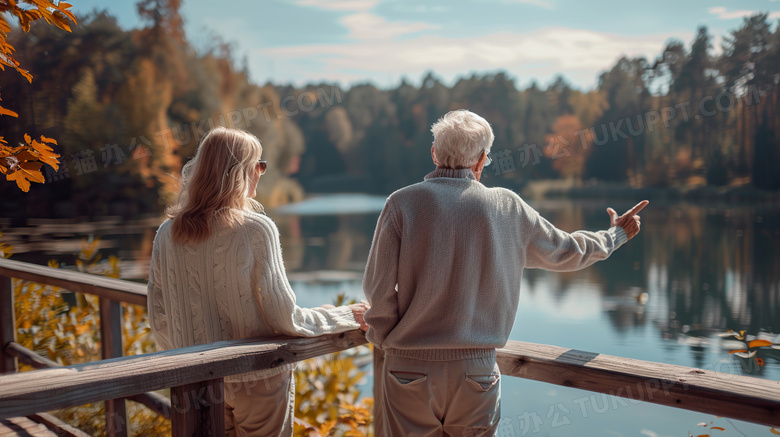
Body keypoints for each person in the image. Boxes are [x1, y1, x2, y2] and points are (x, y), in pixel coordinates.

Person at [362, 109, 647, 436]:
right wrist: (616, 235)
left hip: (406, 368)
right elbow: (567, 251)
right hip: (476, 373)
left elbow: (378, 291)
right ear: (482, 160)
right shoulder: (507, 207)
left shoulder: (401, 203)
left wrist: (387, 342)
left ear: (434, 153)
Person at [146, 126, 369, 437]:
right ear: (239, 172)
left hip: (196, 386)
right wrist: (346, 315)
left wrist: (190, 366)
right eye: (259, 165)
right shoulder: (255, 229)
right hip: (258, 379)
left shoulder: (166, 235)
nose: (262, 173)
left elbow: (158, 319)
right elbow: (287, 318)